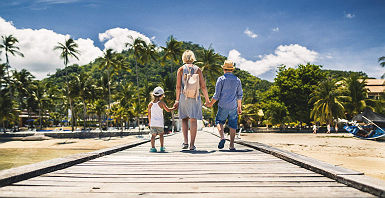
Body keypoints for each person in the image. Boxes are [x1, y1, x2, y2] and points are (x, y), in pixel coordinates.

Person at [173, 50, 210, 151]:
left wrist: (177, 100)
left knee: (184, 119)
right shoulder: (198, 69)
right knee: (193, 120)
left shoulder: (180, 69)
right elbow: (203, 86)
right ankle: (192, 145)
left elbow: (178, 86)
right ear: (193, 58)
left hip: (183, 97)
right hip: (195, 97)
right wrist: (207, 99)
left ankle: (185, 141)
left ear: (184, 58)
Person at [207, 60, 243, 151]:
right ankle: (231, 145)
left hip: (223, 105)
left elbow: (217, 95)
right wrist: (239, 107)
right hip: (233, 106)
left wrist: (210, 104)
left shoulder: (221, 79)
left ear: (224, 69)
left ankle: (222, 137)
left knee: (219, 121)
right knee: (233, 125)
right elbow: (239, 95)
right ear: (232, 70)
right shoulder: (237, 80)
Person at [148, 87, 175, 152]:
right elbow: (168, 110)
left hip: (153, 123)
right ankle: (162, 147)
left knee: (153, 136)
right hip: (159, 123)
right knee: (161, 135)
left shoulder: (150, 104)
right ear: (161, 95)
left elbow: (149, 114)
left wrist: (150, 122)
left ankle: (152, 148)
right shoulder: (161, 103)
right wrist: (174, 108)